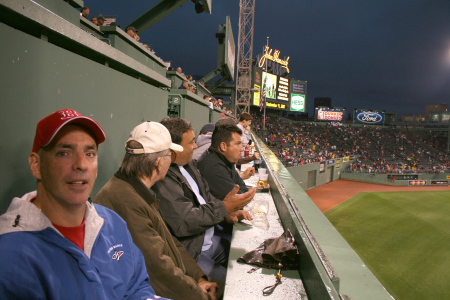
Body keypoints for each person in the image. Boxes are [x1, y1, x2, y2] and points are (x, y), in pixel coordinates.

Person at [0, 109, 165, 299]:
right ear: (36, 165)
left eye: (90, 153)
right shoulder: (10, 254)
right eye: (64, 153)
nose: (81, 164)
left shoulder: (112, 223)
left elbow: (136, 289)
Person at [94, 121, 219, 300]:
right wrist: (200, 295)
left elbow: (169, 241)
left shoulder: (134, 188)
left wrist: (198, 278)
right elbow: (157, 268)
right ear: (160, 163)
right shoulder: (126, 199)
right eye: (170, 155)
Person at [152, 117, 255, 281]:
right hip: (191, 253)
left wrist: (225, 214)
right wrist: (223, 208)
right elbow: (184, 222)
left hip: (207, 240)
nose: (195, 146)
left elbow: (206, 196)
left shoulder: (188, 164)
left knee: (249, 256)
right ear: (174, 149)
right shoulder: (163, 178)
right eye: (191, 142)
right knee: (235, 282)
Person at [197, 124, 250, 201]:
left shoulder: (225, 159)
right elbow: (239, 199)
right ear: (223, 146)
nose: (242, 149)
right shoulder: (213, 167)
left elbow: (243, 188)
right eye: (238, 144)